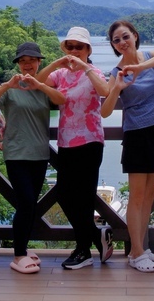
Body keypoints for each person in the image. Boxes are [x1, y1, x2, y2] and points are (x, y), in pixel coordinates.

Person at [0, 42, 67, 274]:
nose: (27, 64)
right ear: (18, 64)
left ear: (39, 62)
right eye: (23, 60)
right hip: (16, 153)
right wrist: (6, 85)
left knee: (31, 206)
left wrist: (41, 83)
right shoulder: (10, 88)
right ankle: (18, 255)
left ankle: (24, 247)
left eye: (32, 60)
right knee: (26, 202)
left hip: (40, 153)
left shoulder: (42, 88)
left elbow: (61, 100)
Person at [100, 20, 154, 273]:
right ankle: (135, 252)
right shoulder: (116, 72)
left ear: (135, 36)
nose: (122, 42)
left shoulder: (148, 57)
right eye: (116, 40)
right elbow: (105, 111)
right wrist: (117, 89)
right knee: (137, 196)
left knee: (151, 195)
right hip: (138, 135)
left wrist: (139, 67)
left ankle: (141, 249)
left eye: (125, 37)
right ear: (113, 45)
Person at [36, 26, 114, 269]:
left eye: (79, 47)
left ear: (88, 50)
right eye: (69, 46)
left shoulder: (95, 72)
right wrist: (56, 62)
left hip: (90, 141)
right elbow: (37, 82)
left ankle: (83, 250)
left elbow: (105, 91)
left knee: (83, 197)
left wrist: (86, 68)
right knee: (64, 194)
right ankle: (95, 236)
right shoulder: (60, 75)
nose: (74, 51)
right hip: (66, 141)